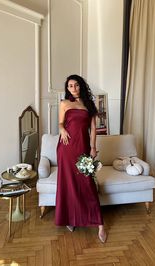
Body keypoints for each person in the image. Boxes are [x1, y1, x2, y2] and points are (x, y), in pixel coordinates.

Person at [55, 74, 107, 243]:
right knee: (68, 184)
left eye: (76, 85)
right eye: (70, 86)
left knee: (88, 184)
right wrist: (62, 129)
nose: (74, 88)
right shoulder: (64, 103)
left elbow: (93, 129)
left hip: (83, 148)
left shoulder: (89, 104)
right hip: (66, 148)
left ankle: (100, 224)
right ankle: (71, 218)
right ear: (67, 88)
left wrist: (92, 148)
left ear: (81, 86)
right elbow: (61, 123)